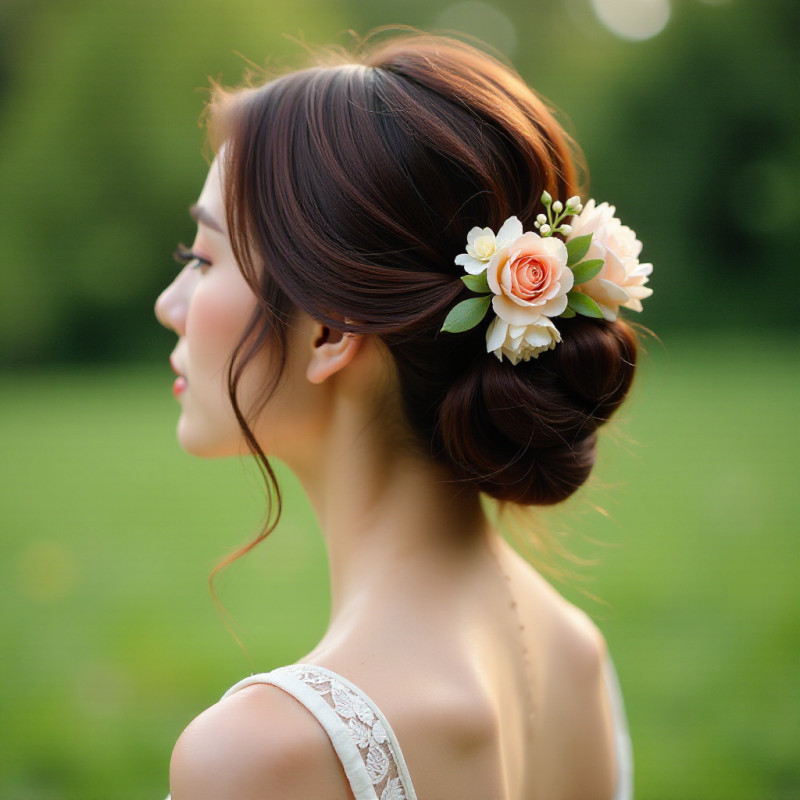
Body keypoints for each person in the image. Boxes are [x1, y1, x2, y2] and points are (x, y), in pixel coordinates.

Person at [154, 30, 652, 800]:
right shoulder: (574, 655)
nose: (170, 305)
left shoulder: (261, 757)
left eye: (204, 259)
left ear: (328, 331)